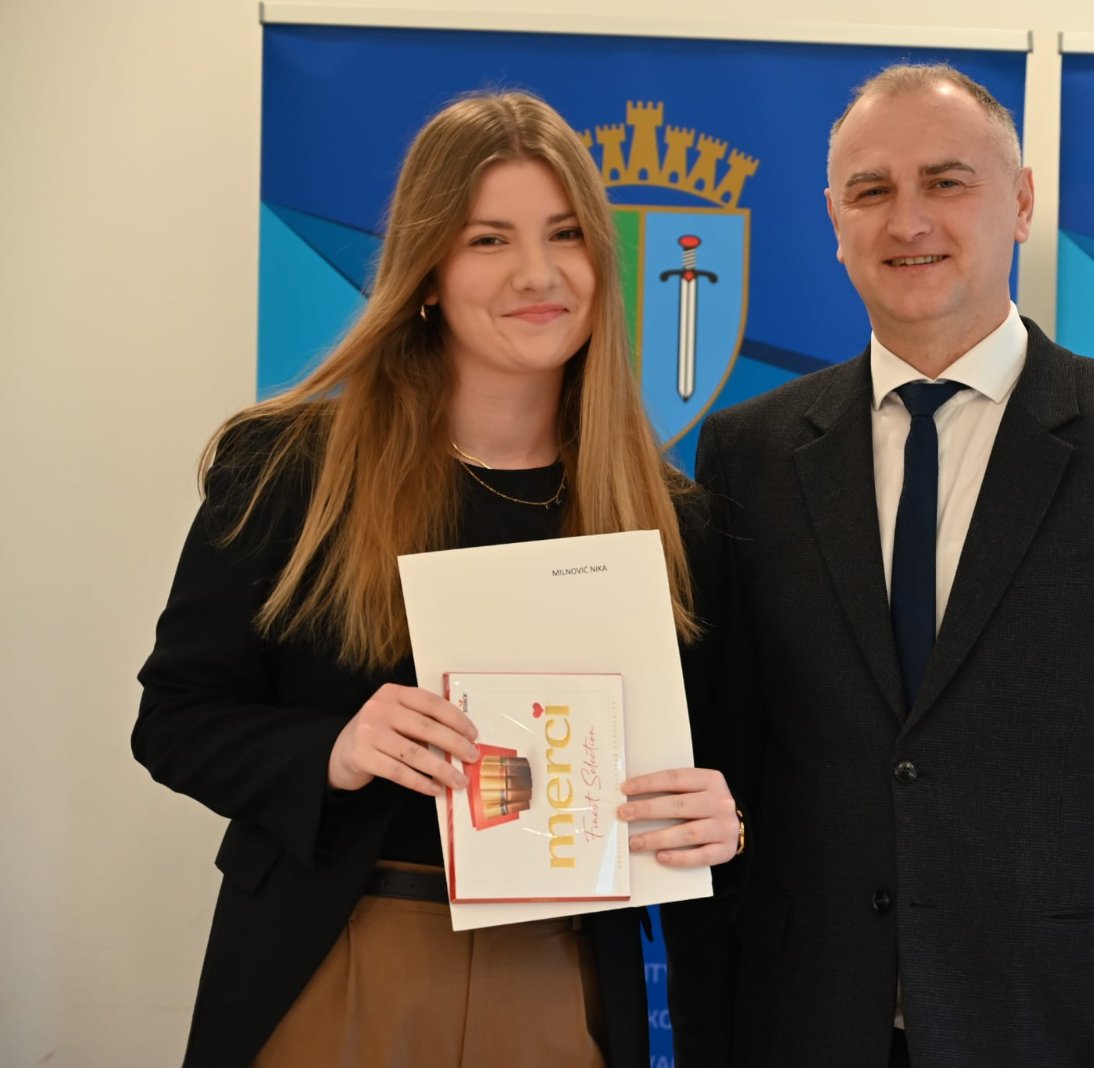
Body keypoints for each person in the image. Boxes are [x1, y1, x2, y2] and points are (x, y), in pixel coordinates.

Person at [133, 90, 740, 1068]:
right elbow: (174, 720)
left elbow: (718, 765)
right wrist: (336, 748)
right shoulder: (291, 470)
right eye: (488, 240)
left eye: (566, 235)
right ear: (426, 275)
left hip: (565, 978)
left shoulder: (674, 519)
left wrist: (721, 817)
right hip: (338, 960)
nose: (538, 273)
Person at [686, 64, 1094, 1066]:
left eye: (947, 182)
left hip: (1056, 1030)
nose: (907, 220)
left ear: (1022, 203)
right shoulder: (750, 454)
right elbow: (722, 772)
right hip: (804, 1024)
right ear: (834, 221)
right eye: (871, 190)